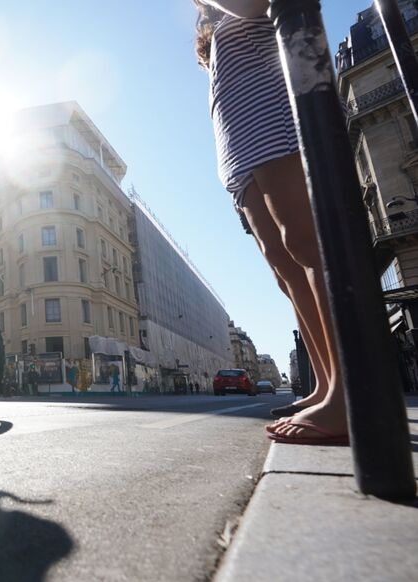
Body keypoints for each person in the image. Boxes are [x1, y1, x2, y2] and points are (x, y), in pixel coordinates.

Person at [195, 1, 347, 444]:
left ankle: (349, 392)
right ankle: (325, 383)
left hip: (272, 104)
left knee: (306, 242)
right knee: (285, 267)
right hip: (240, 131)